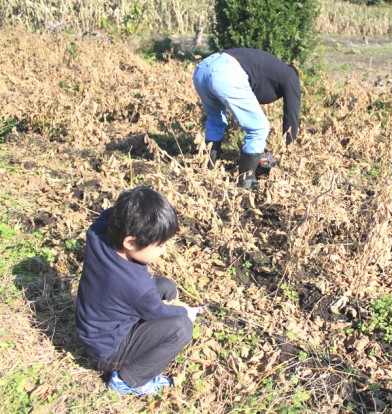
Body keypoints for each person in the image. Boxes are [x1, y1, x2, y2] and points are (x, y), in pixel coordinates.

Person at [75, 187, 203, 395]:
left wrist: (133, 204)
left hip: (95, 330)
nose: (164, 250)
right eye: (159, 245)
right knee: (181, 328)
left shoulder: (97, 234)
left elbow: (111, 213)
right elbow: (157, 312)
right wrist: (185, 312)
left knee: (165, 286)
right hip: (107, 351)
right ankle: (128, 380)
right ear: (131, 242)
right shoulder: (135, 284)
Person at [192, 48, 301, 188]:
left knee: (215, 121)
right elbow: (291, 116)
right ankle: (246, 183)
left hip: (203, 69)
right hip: (225, 72)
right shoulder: (291, 76)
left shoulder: (270, 68)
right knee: (259, 128)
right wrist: (288, 151)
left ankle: (208, 167)